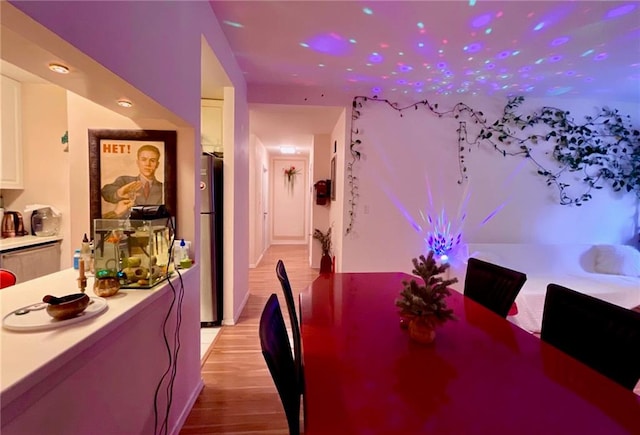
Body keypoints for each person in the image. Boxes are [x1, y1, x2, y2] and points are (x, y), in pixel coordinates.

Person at [101, 144, 163, 218]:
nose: (147, 164)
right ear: (137, 162)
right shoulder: (125, 180)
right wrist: (119, 193)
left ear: (157, 164)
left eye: (152, 160)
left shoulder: (163, 188)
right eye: (143, 159)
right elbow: (106, 191)